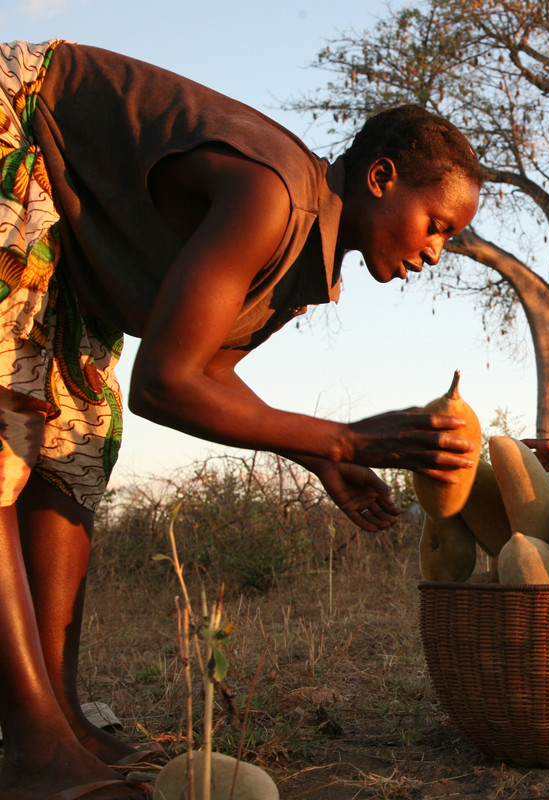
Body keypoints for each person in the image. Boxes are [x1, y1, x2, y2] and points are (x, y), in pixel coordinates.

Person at [0, 39, 482, 799]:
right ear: (382, 178)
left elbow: (208, 373)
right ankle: (34, 745)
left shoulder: (303, 266)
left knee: (73, 445)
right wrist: (346, 437)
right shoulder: (273, 196)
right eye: (437, 224)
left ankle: (60, 721)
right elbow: (164, 382)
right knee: (4, 438)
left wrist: (322, 456)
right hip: (17, 128)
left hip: (69, 238)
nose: (436, 251)